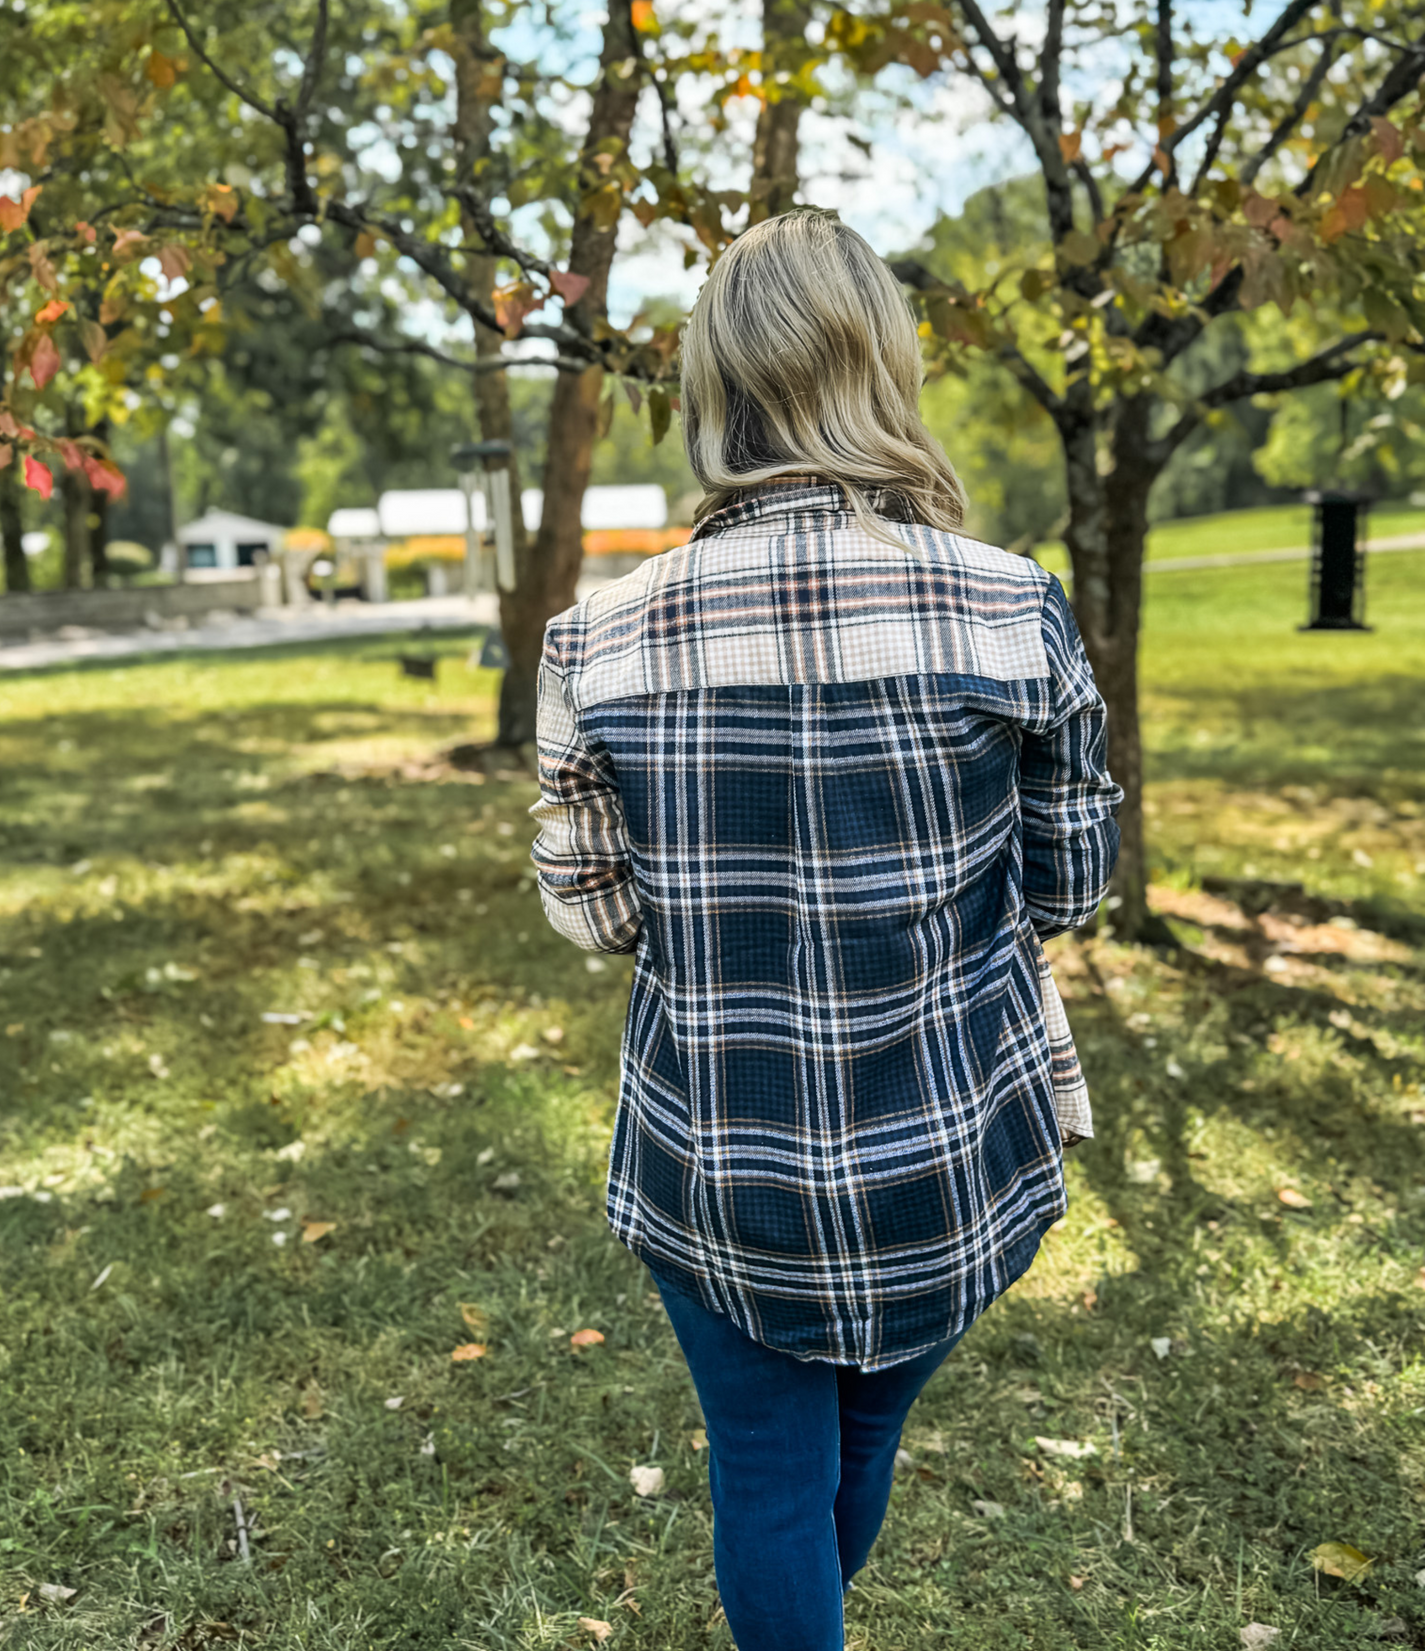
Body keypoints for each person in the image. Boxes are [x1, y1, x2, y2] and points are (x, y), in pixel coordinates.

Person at [529, 209, 1122, 1651]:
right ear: (884, 367)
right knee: (850, 1453)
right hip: (943, 1160)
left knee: (772, 1478)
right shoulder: (1009, 609)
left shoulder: (597, 637)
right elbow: (1068, 885)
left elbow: (592, 911)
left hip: (717, 1168)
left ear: (710, 387)